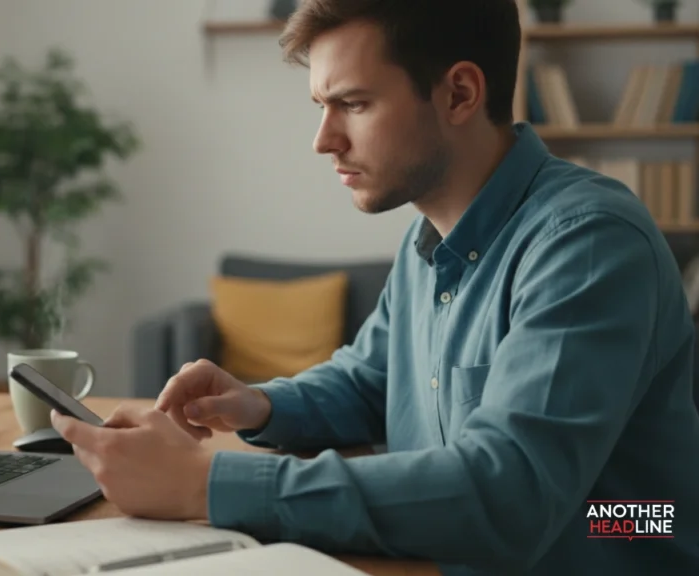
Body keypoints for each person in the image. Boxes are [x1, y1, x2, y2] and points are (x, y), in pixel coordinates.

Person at [51, 0, 699, 574]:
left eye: (353, 104)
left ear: (459, 94)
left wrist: (205, 481)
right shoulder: (429, 237)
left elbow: (512, 494)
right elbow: (367, 382)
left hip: (613, 542)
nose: (323, 140)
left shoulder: (586, 243)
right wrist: (258, 406)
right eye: (320, 107)